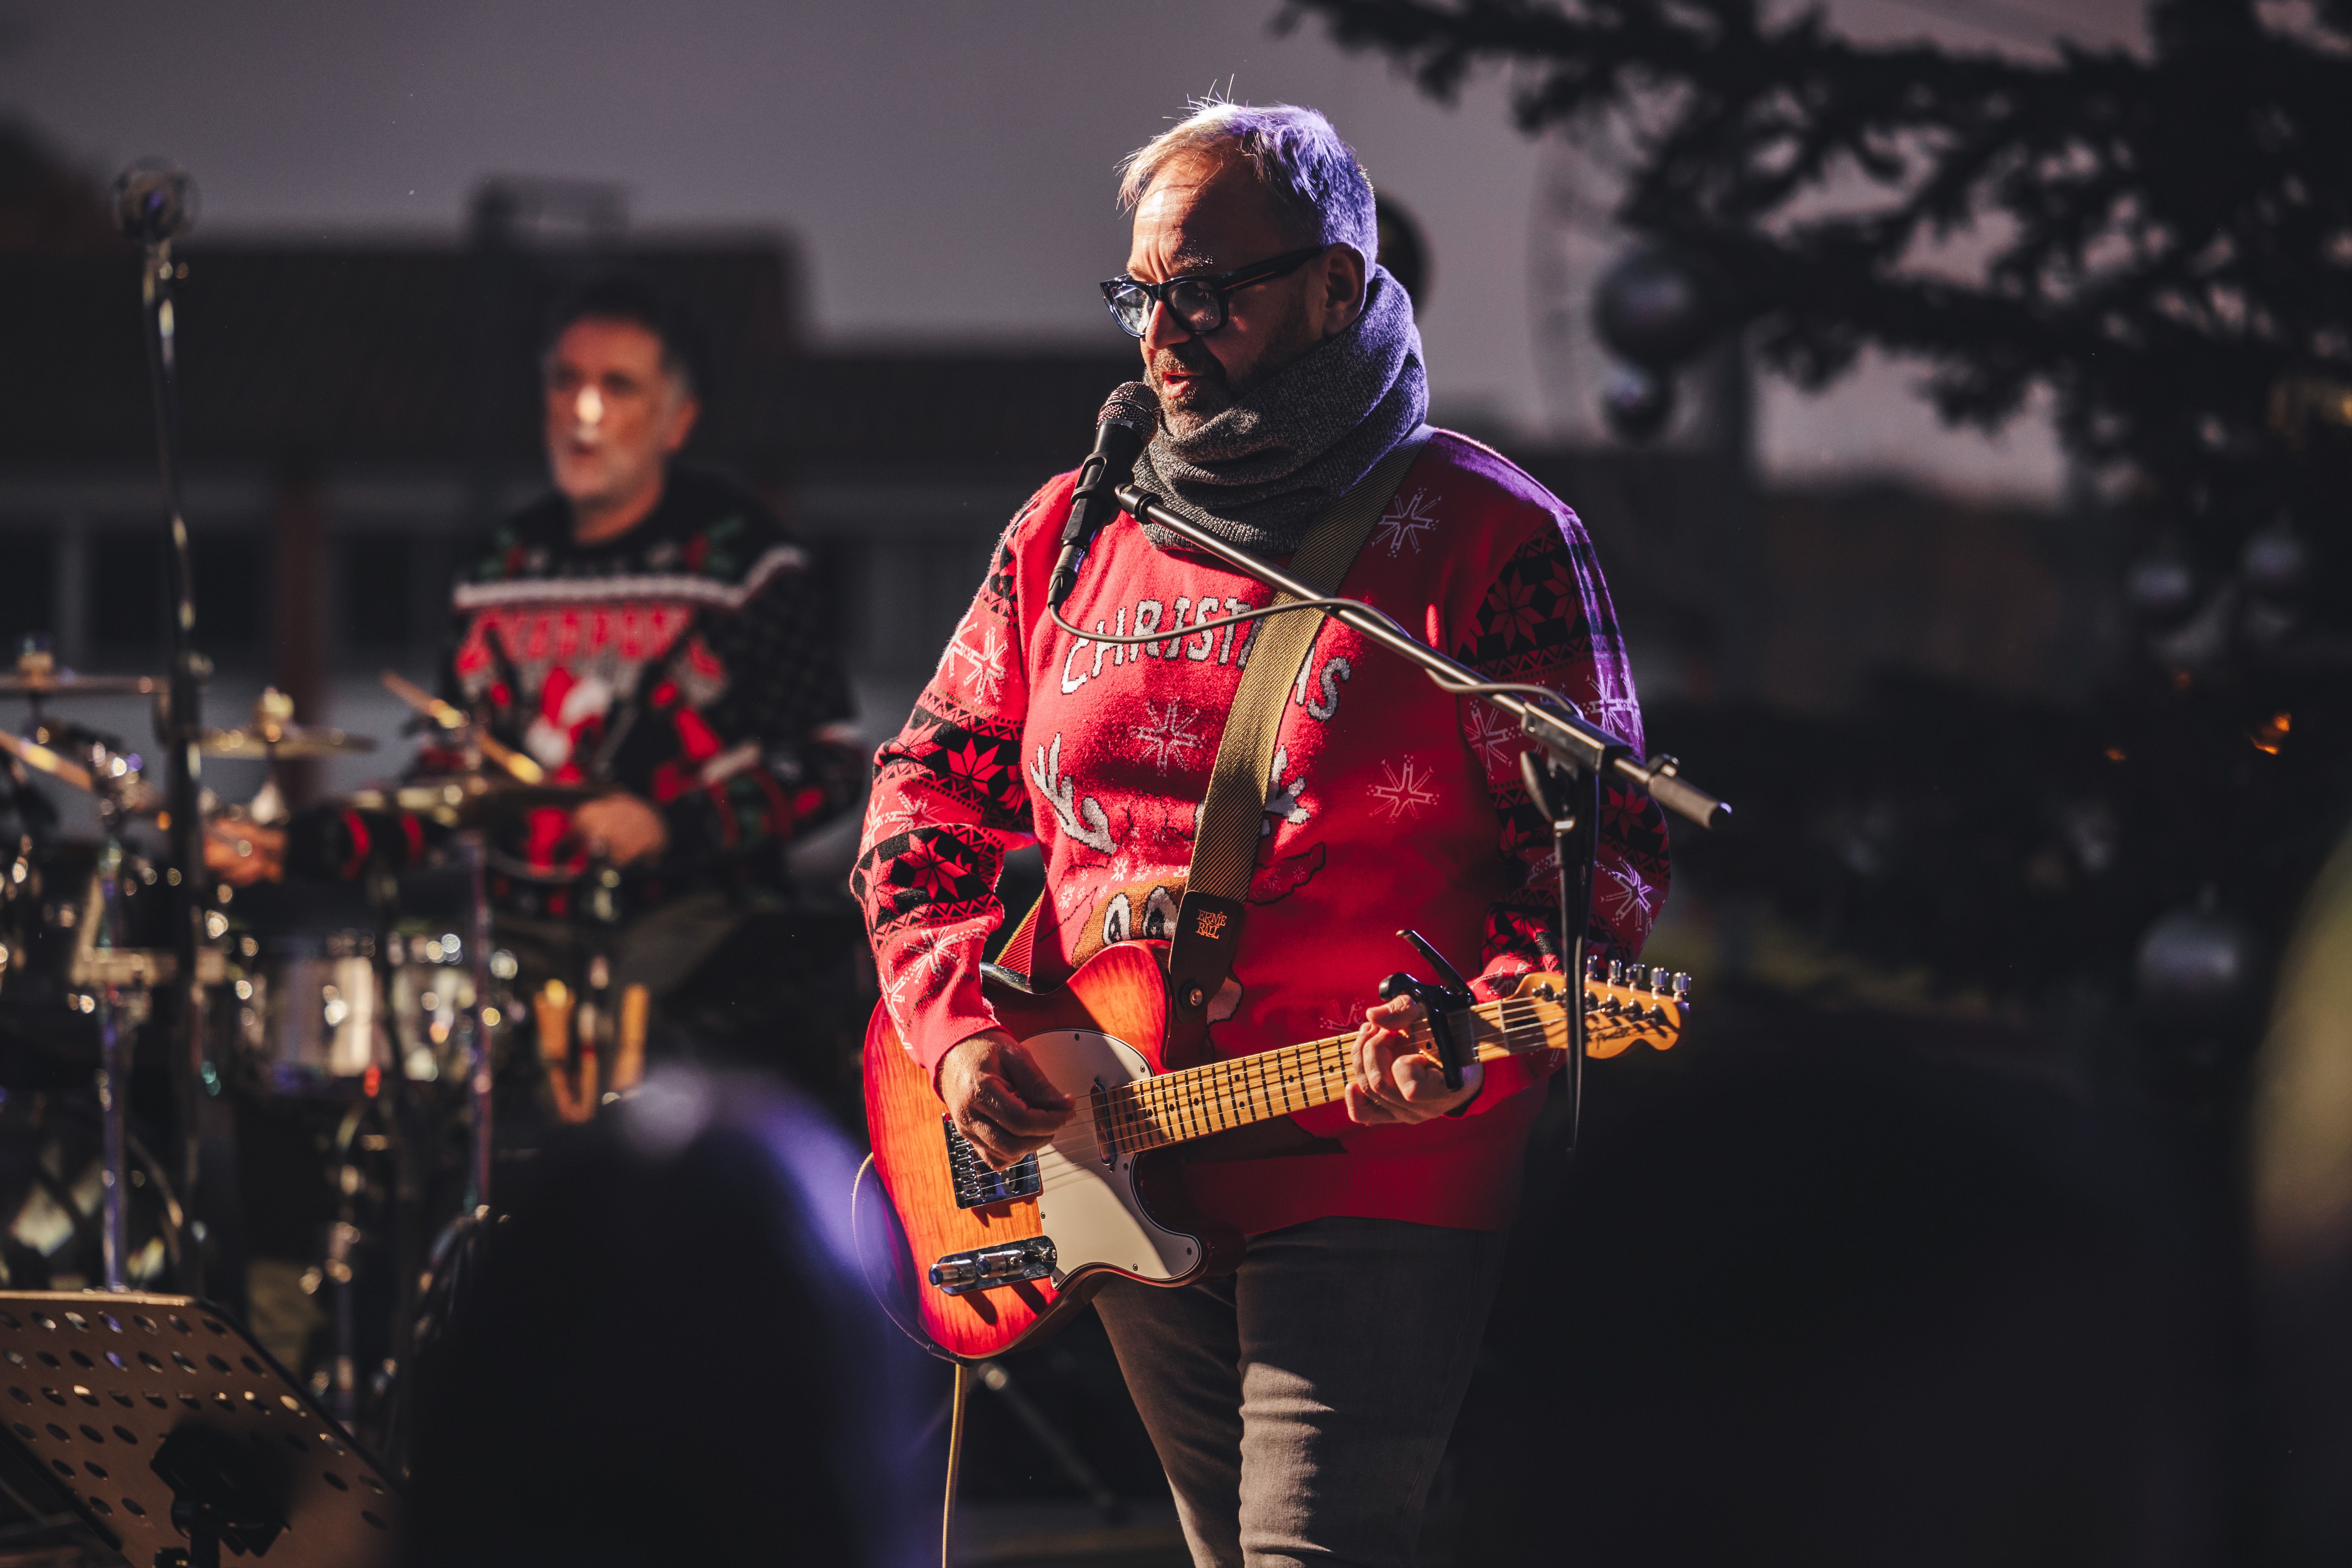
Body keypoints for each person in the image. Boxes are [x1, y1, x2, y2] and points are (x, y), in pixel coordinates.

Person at [853, 99, 1670, 1567]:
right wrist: (958, 1027)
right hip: (1114, 1153)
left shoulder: (1488, 536)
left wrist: (1471, 1035)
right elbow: (923, 794)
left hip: (1372, 1148)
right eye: (1141, 293)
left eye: (1208, 290)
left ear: (1337, 285)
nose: (1164, 330)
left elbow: (1596, 857)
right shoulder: (1067, 533)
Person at [213, 275, 863, 1078]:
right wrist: (294, 848)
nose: (582, 411)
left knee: (643, 1040)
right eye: (566, 382)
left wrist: (670, 824)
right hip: (518, 931)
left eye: (616, 387)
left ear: (677, 419)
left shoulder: (747, 561)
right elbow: (452, 779)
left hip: (692, 923)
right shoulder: (500, 564)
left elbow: (829, 763)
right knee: (398, 1011)